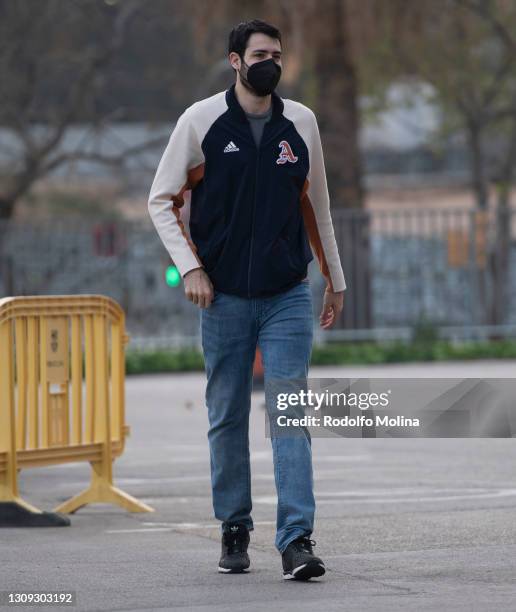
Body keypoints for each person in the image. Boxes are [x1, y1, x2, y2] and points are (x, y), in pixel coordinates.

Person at [147, 18, 346, 581]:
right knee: (227, 416)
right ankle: (234, 527)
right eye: (261, 54)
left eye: (278, 54)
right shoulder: (201, 122)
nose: (271, 63)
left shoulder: (300, 123)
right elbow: (160, 200)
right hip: (224, 295)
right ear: (236, 61)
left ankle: (296, 540)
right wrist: (190, 268)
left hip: (287, 293)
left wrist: (335, 278)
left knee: (289, 414)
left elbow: (318, 207)